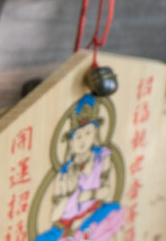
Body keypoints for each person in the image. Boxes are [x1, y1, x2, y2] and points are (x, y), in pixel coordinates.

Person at [35, 94, 124, 241]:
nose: (83, 141)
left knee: (113, 220)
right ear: (70, 141)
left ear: (95, 133)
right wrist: (70, 197)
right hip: (70, 223)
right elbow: (55, 214)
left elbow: (106, 190)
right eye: (78, 136)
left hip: (93, 214)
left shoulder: (102, 157)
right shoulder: (65, 172)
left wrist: (87, 196)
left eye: (88, 133)